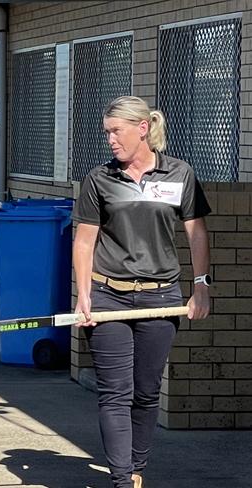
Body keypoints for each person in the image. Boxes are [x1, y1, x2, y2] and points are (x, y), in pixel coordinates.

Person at [72, 96, 211, 488]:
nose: (110, 140)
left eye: (116, 131)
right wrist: (84, 296)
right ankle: (121, 479)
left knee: (147, 392)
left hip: (162, 298)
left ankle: (136, 468)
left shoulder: (179, 174)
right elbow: (84, 242)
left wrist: (201, 287)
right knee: (115, 392)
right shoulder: (99, 179)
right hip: (109, 295)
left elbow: (197, 234)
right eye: (107, 133)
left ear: (142, 128)